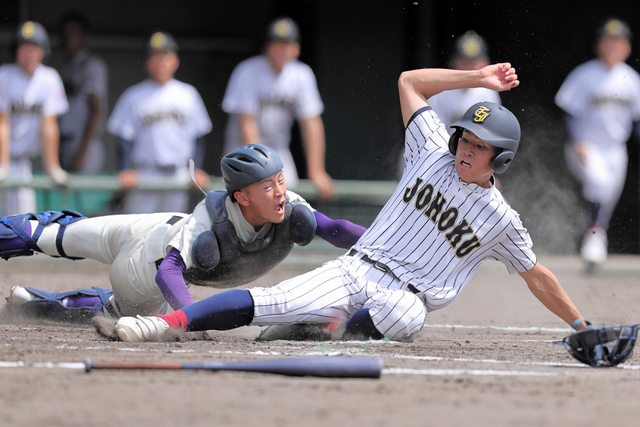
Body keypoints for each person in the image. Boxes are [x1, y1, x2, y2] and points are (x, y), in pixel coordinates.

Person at [110, 62, 591, 345]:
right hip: (355, 269)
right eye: (465, 136)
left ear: (501, 159)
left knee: (406, 315)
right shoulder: (431, 149)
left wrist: (580, 323)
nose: (466, 146)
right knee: (265, 303)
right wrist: (476, 77)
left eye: (480, 145)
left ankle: (318, 331)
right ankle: (160, 323)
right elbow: (409, 82)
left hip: (405, 298)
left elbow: (538, 276)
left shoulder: (501, 220)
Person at [2, 144, 366, 324]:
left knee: (62, 242)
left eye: (280, 180)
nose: (281, 191)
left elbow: (335, 229)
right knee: (51, 233)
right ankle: (31, 298)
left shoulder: (289, 207)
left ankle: (30, 300)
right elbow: (168, 271)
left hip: (157, 236)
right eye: (268, 185)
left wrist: (384, 241)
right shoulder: (209, 220)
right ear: (241, 196)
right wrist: (194, 317)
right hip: (146, 263)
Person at [555, 17, 640, 269]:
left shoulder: (632, 78)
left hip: (615, 148)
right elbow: (568, 111)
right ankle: (594, 237)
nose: (613, 46)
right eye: (608, 40)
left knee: (606, 197)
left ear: (628, 47)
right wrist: (576, 139)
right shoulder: (584, 74)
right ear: (599, 44)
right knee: (599, 184)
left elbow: (636, 120)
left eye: (619, 41)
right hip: (585, 145)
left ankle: (592, 237)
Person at [221, 17, 333, 199]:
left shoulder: (301, 74)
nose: (282, 50)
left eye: (287, 44)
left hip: (278, 152)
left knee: (290, 207)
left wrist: (316, 170)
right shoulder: (247, 71)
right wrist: (259, 167)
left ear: (296, 48)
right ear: (267, 47)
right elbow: (247, 124)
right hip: (242, 154)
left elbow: (311, 123)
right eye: (277, 44)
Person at [107, 30, 212, 214]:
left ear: (175, 61)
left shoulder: (188, 94)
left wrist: (197, 168)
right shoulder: (133, 96)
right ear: (146, 62)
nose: (160, 63)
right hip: (144, 173)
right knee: (138, 232)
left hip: (178, 173)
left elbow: (197, 137)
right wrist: (125, 169)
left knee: (172, 229)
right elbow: (124, 139)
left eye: (165, 57)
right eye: (155, 57)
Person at [0, 21, 69, 216]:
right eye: (24, 47)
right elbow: (1, 123)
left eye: (34, 48)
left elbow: (49, 126)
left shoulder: (49, 78)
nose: (29, 53)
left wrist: (53, 168)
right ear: (16, 50)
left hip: (22, 164)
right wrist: (2, 164)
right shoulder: (4, 75)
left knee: (20, 224)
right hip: (3, 161)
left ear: (42, 51)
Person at [57, 11, 108, 174]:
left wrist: (82, 154)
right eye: (66, 32)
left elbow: (96, 110)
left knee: (82, 198)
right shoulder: (68, 67)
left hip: (85, 144)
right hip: (65, 142)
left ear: (85, 36)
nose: (69, 36)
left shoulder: (92, 65)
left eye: (74, 31)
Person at [427, 30, 501, 135]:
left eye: (473, 63)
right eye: (465, 62)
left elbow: (491, 132)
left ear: (485, 63)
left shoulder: (488, 92)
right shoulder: (441, 90)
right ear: (454, 62)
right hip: (443, 148)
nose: (469, 67)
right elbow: (432, 133)